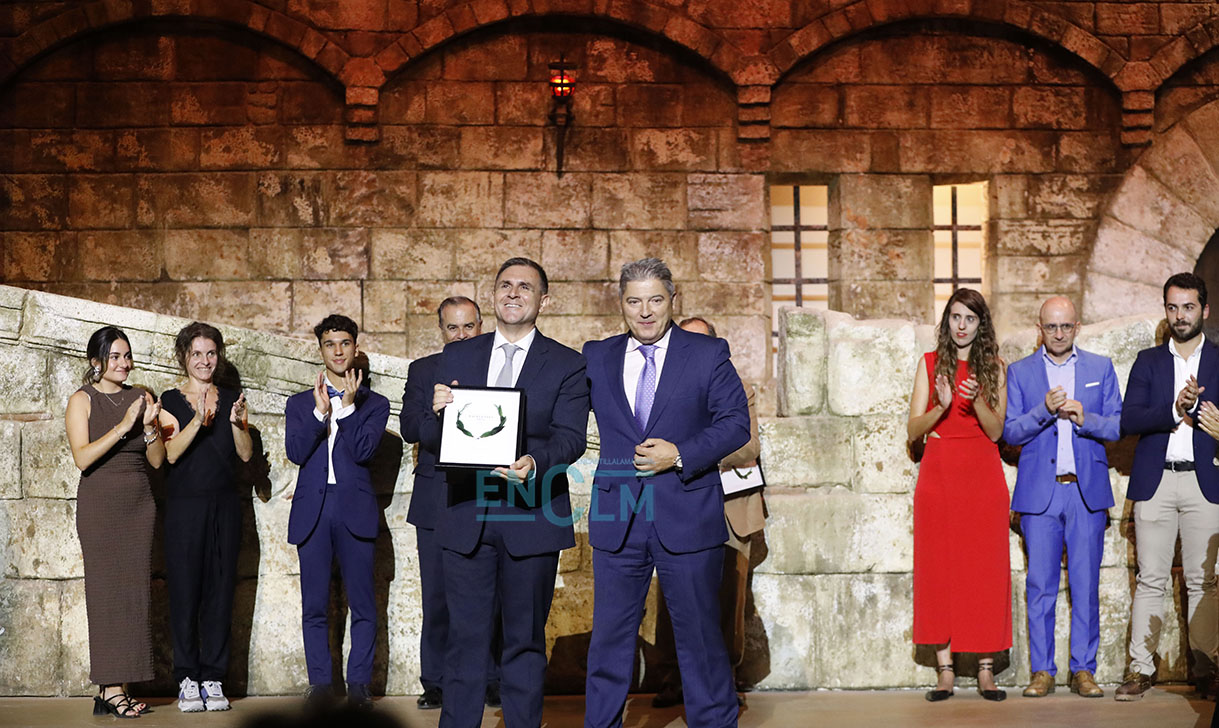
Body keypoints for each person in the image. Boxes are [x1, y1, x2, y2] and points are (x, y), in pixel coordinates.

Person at [422, 258, 589, 728]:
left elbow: (571, 437)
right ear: (493, 295)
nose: (513, 293)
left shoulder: (568, 364)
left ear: (544, 301)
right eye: (505, 285)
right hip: (466, 513)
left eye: (525, 287)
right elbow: (432, 435)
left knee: (524, 641)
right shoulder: (457, 356)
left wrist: (535, 462)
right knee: (464, 641)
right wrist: (437, 413)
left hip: (531, 515)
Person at [583, 259, 751, 728]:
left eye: (655, 300)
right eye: (634, 301)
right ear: (621, 303)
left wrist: (680, 454)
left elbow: (736, 423)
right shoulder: (596, 356)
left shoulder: (707, 353)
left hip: (687, 509)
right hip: (618, 515)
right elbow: (560, 415)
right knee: (609, 641)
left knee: (700, 639)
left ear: (673, 300)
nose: (645, 311)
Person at [1003, 297, 1121, 699]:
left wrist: (1087, 418)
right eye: (1051, 327)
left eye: (1065, 326)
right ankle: (1042, 671)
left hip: (1085, 493)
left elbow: (1118, 425)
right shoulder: (1020, 372)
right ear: (1040, 328)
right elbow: (1010, 432)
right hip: (1041, 494)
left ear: (1077, 327)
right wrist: (1043, 410)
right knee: (1040, 585)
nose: (1058, 334)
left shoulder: (1099, 368)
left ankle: (1083, 670)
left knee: (1085, 585)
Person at [652, 315, 765, 709]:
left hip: (730, 508)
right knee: (672, 596)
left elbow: (748, 445)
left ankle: (724, 679)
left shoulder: (738, 388)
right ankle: (674, 677)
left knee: (727, 598)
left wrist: (691, 452)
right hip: (678, 503)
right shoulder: (662, 391)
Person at [1116, 272, 1219, 702]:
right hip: (1156, 481)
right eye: (1173, 307)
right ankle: (1141, 669)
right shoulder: (1148, 361)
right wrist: (1174, 409)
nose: (1180, 315)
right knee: (1150, 579)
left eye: (1188, 307)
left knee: (1203, 581)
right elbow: (1128, 419)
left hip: (1205, 482)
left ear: (1204, 310)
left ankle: (1207, 668)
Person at [907, 288, 1010, 702]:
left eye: (970, 318)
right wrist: (943, 407)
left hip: (981, 473)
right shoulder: (929, 363)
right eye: (955, 317)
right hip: (940, 472)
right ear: (947, 320)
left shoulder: (995, 367)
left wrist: (977, 400)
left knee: (984, 568)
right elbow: (913, 429)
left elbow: (997, 431)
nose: (962, 325)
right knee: (939, 569)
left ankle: (985, 669)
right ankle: (945, 670)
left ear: (980, 324)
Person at [399, 296, 502, 710]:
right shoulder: (424, 370)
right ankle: (436, 681)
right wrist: (437, 413)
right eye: (452, 327)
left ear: (481, 326)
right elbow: (410, 428)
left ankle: (492, 677)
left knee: (492, 593)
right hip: (437, 497)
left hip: (491, 494)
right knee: (438, 594)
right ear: (441, 330)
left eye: (468, 326)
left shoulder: (500, 367)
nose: (461, 335)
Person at [285, 315, 390, 710]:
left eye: (345, 343)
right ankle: (320, 685)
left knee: (363, 603)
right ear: (321, 350)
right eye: (330, 344)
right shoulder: (299, 403)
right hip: (313, 510)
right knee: (314, 605)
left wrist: (346, 410)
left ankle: (359, 685)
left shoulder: (375, 404)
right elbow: (296, 453)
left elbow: (363, 451)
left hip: (354, 509)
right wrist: (319, 414)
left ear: (355, 348)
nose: (338, 351)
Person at [65, 326, 165, 718]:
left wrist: (150, 428)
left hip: (138, 505)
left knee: (134, 596)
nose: (124, 363)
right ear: (96, 362)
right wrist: (124, 426)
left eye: (127, 355)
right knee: (106, 595)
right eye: (115, 357)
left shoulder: (142, 396)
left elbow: (157, 461)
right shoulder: (82, 400)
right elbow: (83, 458)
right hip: (101, 506)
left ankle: (120, 685)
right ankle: (109, 688)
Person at [157, 322, 254, 712]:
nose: (204, 360)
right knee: (184, 592)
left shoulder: (232, 398)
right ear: (184, 357)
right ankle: (187, 677)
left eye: (210, 353)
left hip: (225, 507)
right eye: (196, 353)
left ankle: (213, 676)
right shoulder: (170, 399)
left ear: (219, 356)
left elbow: (245, 454)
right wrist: (198, 419)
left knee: (220, 591)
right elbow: (171, 454)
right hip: (185, 508)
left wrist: (236, 422)